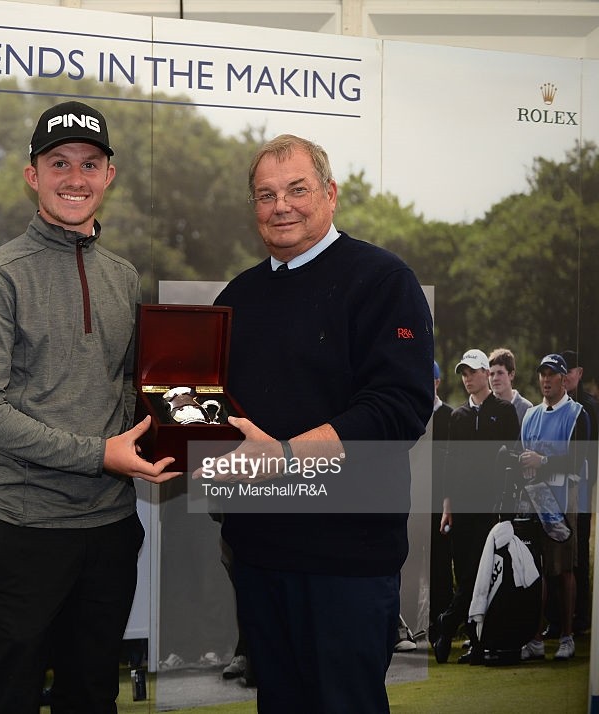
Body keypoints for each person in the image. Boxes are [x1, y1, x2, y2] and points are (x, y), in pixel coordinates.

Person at [0, 100, 180, 714]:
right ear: (33, 174)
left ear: (109, 176)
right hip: (24, 525)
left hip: (109, 528)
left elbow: (134, 391)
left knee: (90, 697)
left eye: (90, 163)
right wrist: (99, 455)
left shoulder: (122, 275)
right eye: (59, 163)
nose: (75, 178)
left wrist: (187, 425)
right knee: (8, 697)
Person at [207, 134, 433, 713]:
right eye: (265, 194)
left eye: (297, 190)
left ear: (330, 195)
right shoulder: (237, 298)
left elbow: (398, 408)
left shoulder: (384, 281)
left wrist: (283, 455)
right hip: (259, 556)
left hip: (347, 562)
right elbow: (212, 412)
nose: (281, 205)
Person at [434, 348, 520, 664]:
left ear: (486, 372)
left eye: (472, 371)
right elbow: (449, 466)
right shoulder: (458, 416)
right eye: (463, 373)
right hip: (463, 506)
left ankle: (451, 624)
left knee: (482, 574)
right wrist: (447, 507)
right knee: (468, 573)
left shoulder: (505, 411)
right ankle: (473, 639)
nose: (467, 378)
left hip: (493, 506)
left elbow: (513, 457)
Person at [519, 353, 589, 661]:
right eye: (542, 374)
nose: (546, 379)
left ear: (564, 379)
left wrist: (543, 462)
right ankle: (534, 638)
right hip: (534, 497)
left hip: (563, 496)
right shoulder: (531, 415)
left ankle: (567, 635)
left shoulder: (577, 414)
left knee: (563, 570)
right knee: (537, 570)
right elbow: (525, 453)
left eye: (552, 374)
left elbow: (581, 460)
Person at [561, 349, 597, 635]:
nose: (567, 376)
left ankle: (582, 617)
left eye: (571, 370)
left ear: (580, 373)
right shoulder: (553, 406)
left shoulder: (591, 407)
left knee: (579, 550)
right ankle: (560, 619)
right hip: (557, 489)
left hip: (584, 487)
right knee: (558, 553)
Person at [428, 361, 454, 647]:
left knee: (441, 567)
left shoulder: (449, 415)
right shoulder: (413, 415)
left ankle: (442, 628)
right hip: (417, 502)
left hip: (440, 503)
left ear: (437, 382)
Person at [488, 347, 533, 423]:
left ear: (511, 375)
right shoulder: (484, 407)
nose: (495, 378)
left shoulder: (526, 409)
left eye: (500, 373)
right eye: (491, 374)